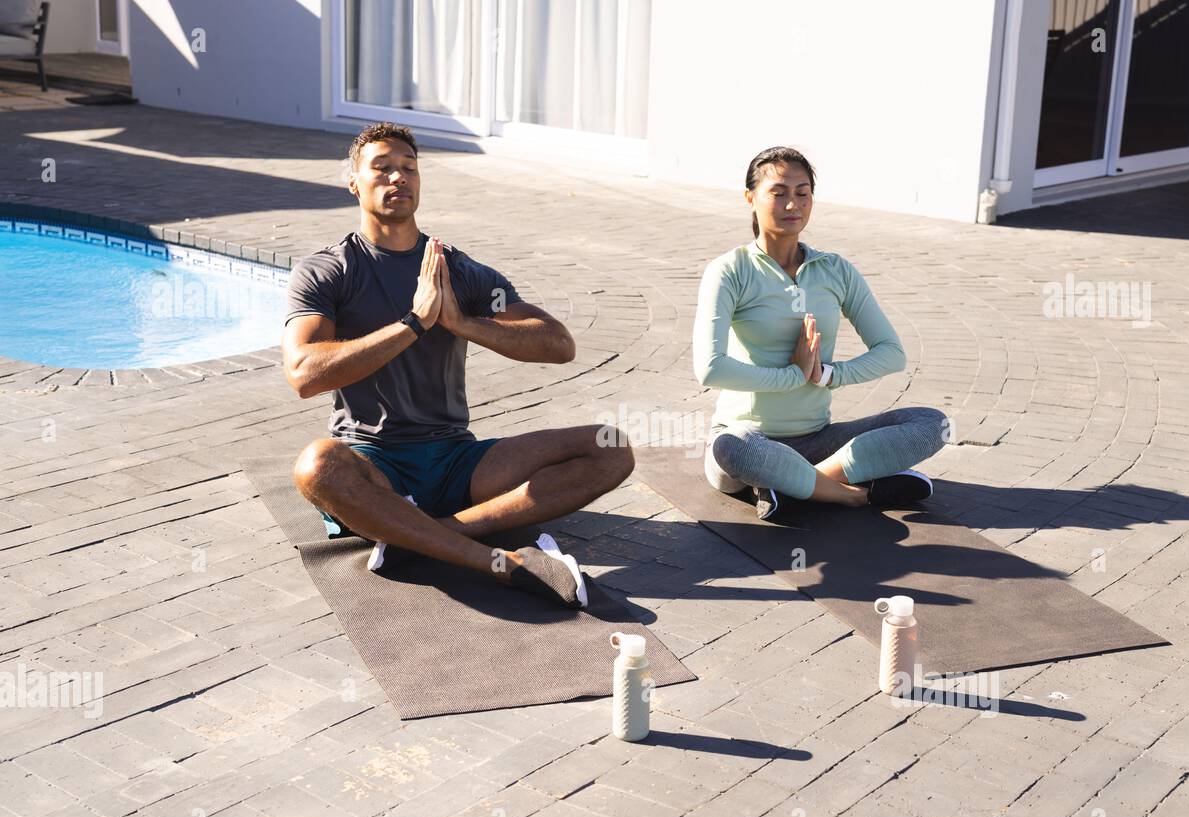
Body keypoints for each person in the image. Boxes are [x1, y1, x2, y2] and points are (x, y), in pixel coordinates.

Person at [282, 122, 634, 608]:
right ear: (354, 183)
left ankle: (425, 535)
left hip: (456, 461)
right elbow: (303, 374)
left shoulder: (458, 270)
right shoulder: (328, 270)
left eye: (408, 168)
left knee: (611, 446)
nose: (397, 178)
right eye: (381, 168)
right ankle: (495, 563)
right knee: (317, 466)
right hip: (374, 462)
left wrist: (462, 322)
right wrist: (413, 324)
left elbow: (557, 343)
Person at [692, 146, 946, 521]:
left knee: (934, 425)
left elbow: (892, 353)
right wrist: (794, 375)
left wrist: (828, 375)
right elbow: (710, 368)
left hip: (816, 441)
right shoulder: (730, 270)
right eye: (778, 192)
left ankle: (795, 487)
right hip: (749, 439)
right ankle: (851, 495)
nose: (792, 204)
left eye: (803, 193)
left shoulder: (835, 270)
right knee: (731, 447)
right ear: (750, 198)